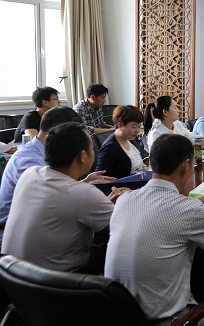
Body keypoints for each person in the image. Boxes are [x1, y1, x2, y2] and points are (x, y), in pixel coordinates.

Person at [105, 134, 204, 326]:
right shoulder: (189, 210)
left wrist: (197, 200)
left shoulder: (124, 200)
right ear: (185, 166)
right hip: (168, 322)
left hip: (117, 317)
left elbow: (158, 209)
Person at [2, 122, 127, 270]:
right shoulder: (84, 194)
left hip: (11, 272)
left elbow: (64, 198)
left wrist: (100, 202)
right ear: (83, 156)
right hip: (58, 280)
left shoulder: (30, 173)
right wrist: (125, 202)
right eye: (92, 148)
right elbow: (127, 226)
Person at [0, 106, 115, 247]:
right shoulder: (28, 162)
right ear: (62, 132)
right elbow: (48, 203)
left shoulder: (35, 166)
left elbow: (54, 193)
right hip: (15, 235)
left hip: (28, 241)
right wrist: (98, 201)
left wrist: (84, 183)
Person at [95, 105, 147, 179]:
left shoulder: (129, 139)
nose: (137, 130)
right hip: (126, 185)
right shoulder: (110, 148)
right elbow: (100, 178)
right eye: (134, 126)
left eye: (139, 126)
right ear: (120, 125)